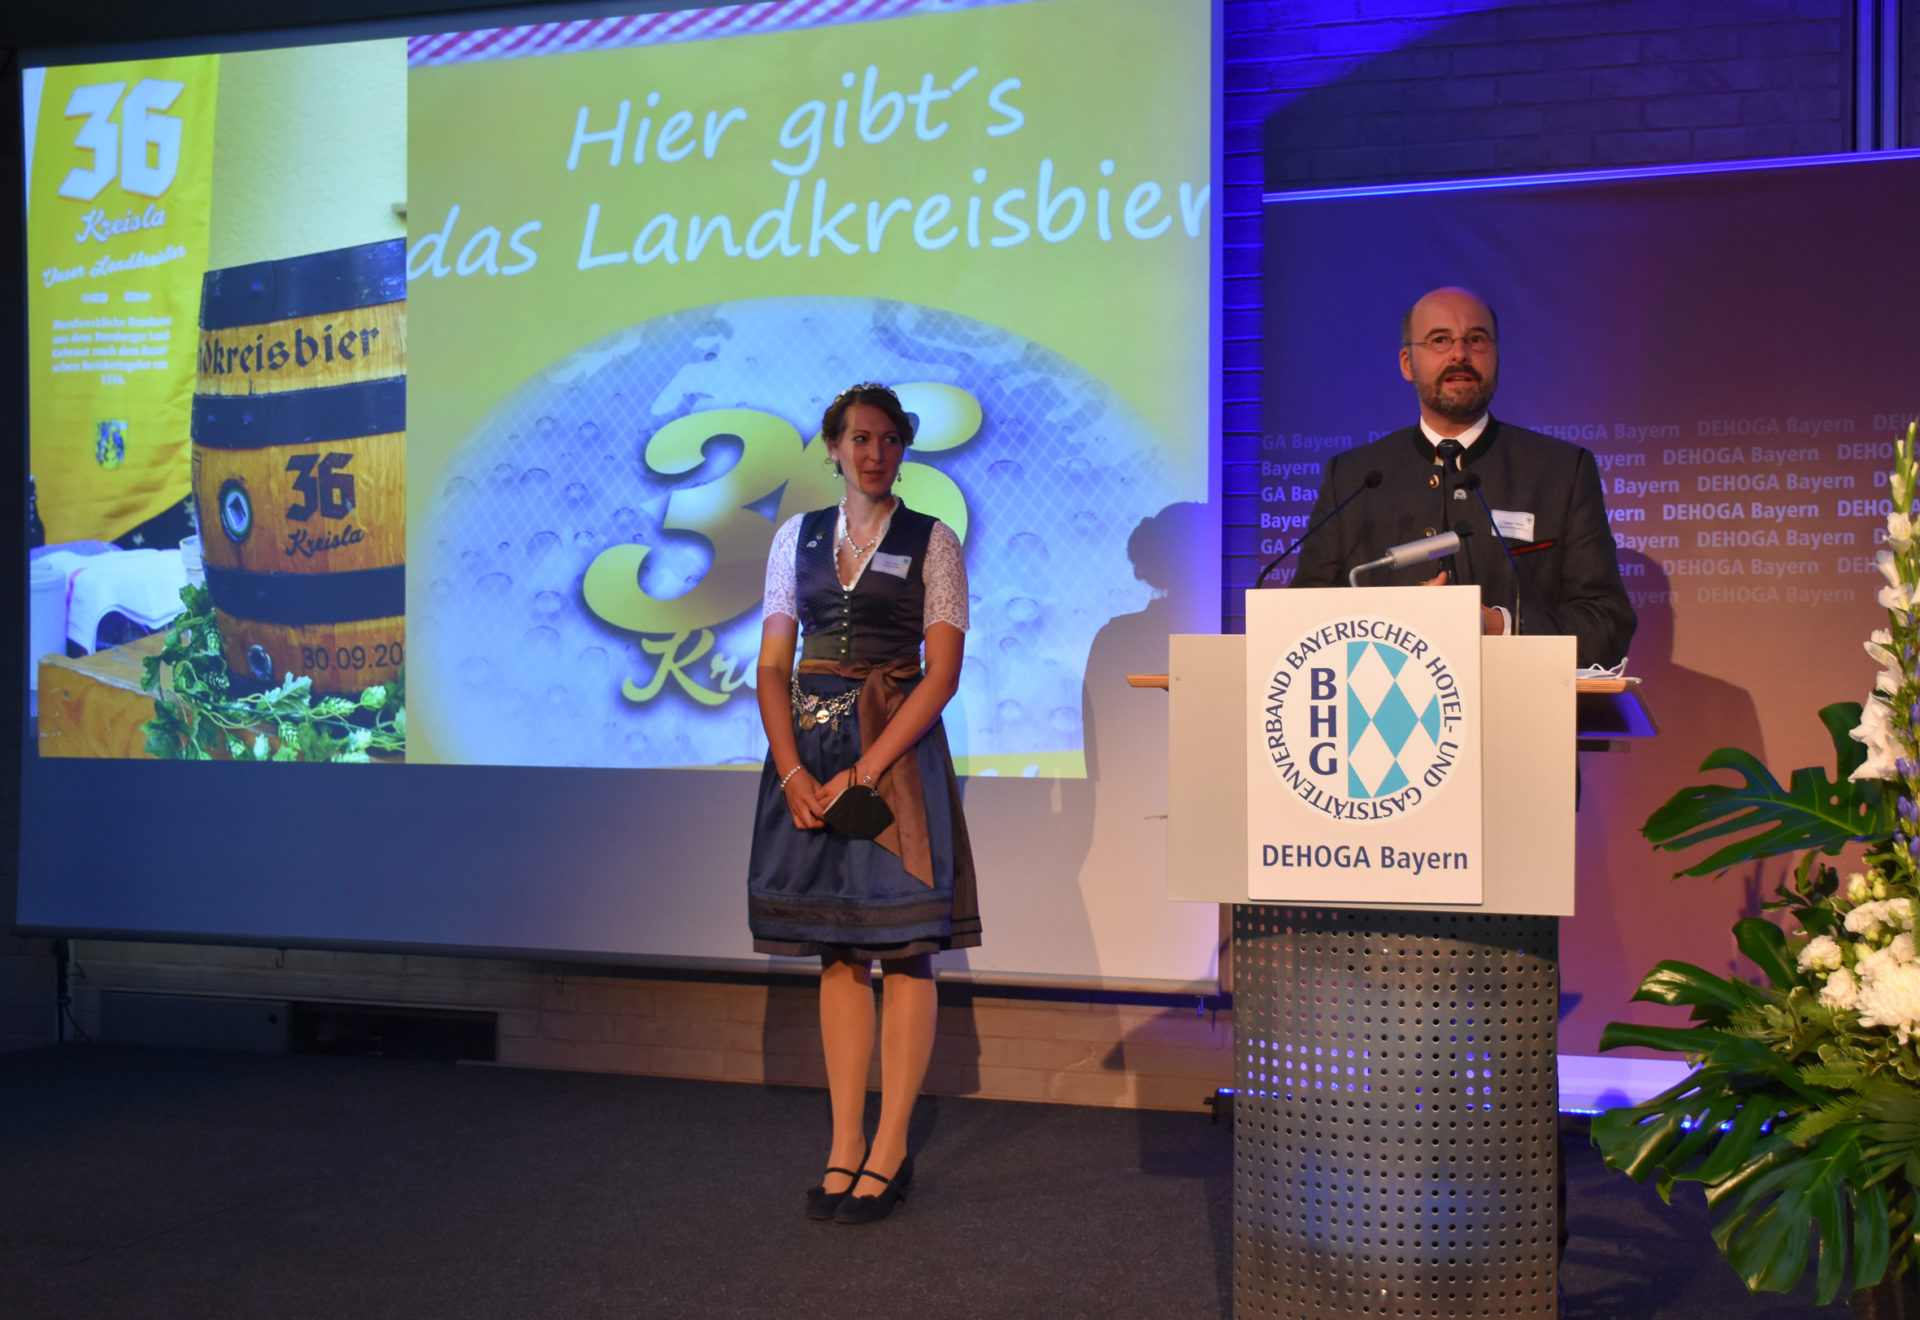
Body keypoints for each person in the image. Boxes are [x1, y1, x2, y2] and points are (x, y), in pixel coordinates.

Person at [748, 381, 980, 1225]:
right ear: (834, 449)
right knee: (838, 950)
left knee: (906, 948)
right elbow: (772, 666)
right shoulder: (796, 538)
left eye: (888, 438)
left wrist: (867, 771)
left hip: (896, 754)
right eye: (860, 438)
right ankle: (844, 1144)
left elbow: (941, 674)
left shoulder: (934, 541)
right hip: (809, 751)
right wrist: (793, 773)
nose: (875, 452)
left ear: (902, 449)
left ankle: (890, 1148)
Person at [1289, 285, 1637, 667]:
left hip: (1513, 698)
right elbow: (1302, 618)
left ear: (1496, 356)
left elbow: (1607, 624)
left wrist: (1498, 625)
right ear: (1407, 363)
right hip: (1381, 698)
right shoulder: (1352, 477)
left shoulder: (1561, 471)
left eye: (1476, 339)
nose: (1460, 354)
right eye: (1440, 340)